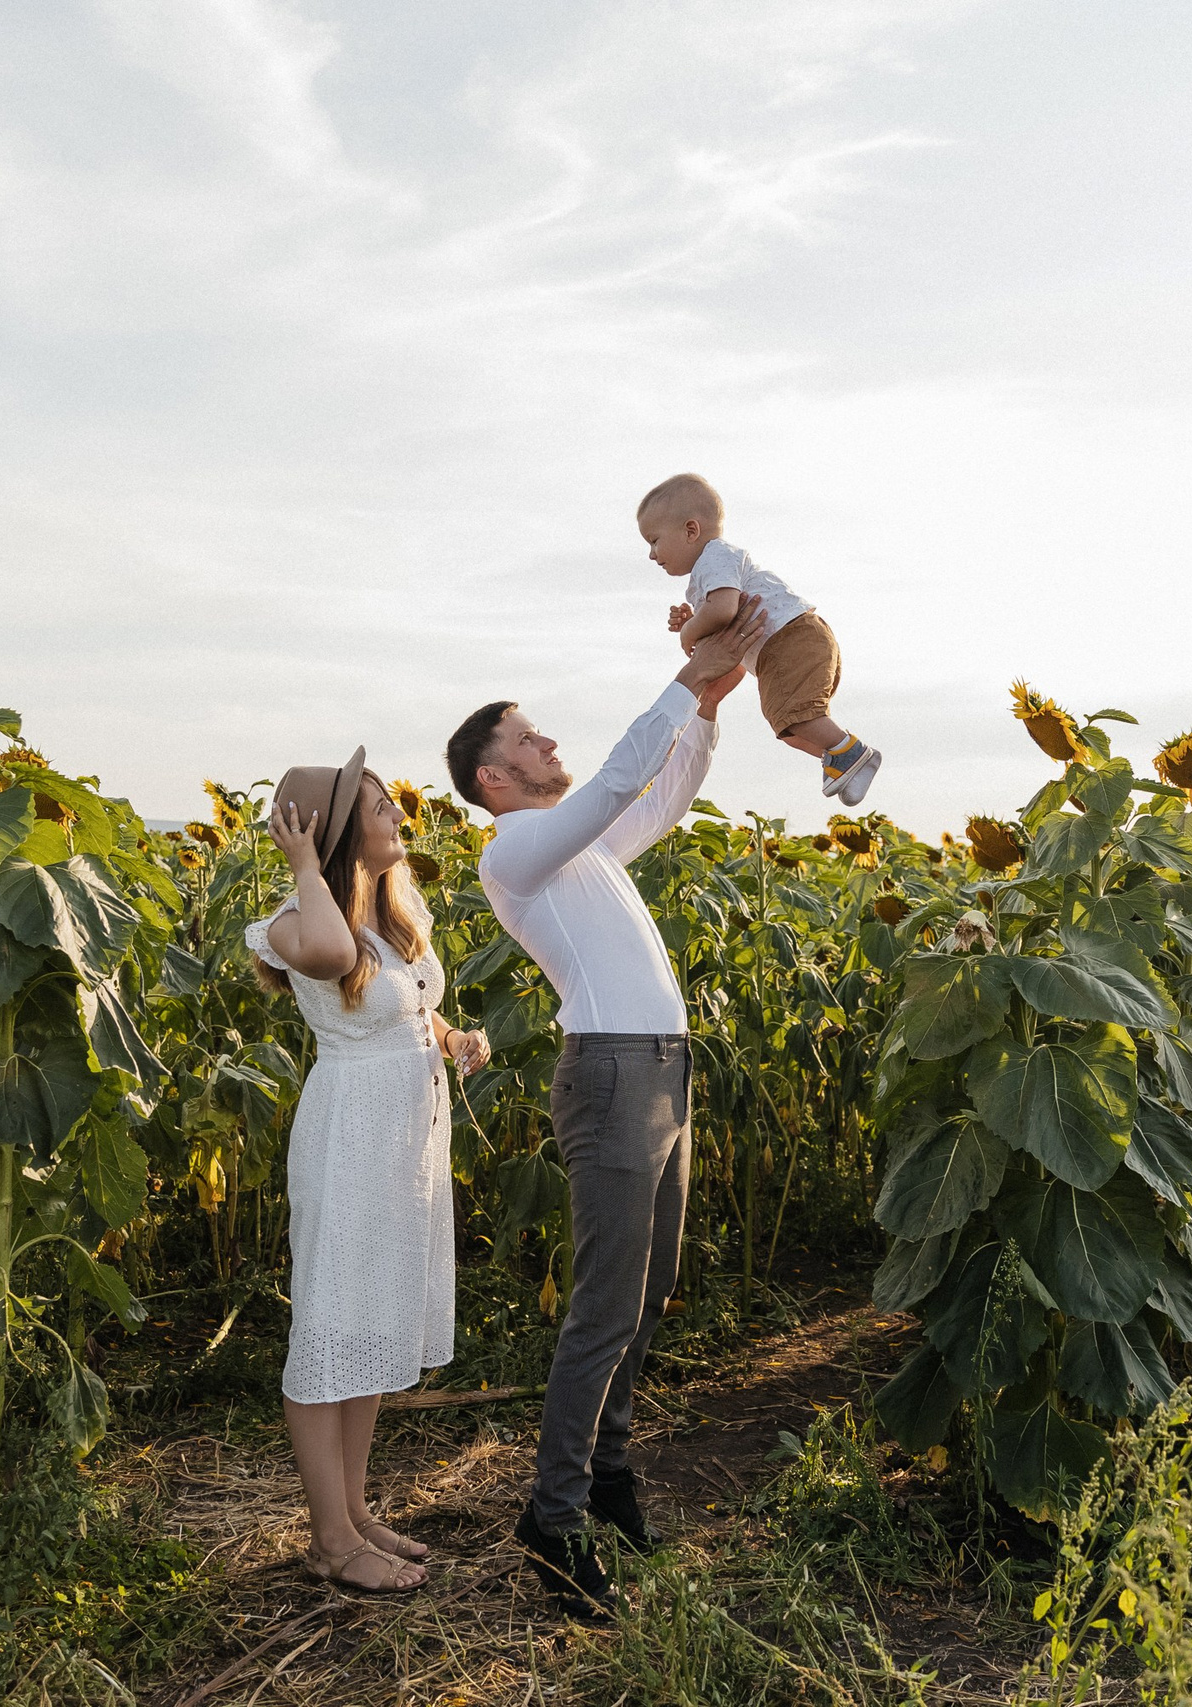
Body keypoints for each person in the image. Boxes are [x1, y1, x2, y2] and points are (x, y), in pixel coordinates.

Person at [443, 595, 771, 1623]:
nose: (548, 742)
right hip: (615, 1076)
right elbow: (624, 773)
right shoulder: (517, 852)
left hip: (663, 1071)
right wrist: (682, 681)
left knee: (650, 1288)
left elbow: (662, 793)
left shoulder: (579, 851)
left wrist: (710, 704)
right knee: (602, 1305)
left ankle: (611, 1475)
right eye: (527, 737)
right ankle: (553, 1516)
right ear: (495, 779)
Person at [250, 750, 491, 1596]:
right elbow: (322, 950)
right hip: (349, 1139)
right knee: (328, 1331)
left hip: (405, 1143)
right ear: (336, 829)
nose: (400, 819)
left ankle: (350, 1513)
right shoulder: (294, 919)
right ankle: (329, 1539)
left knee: (370, 1326)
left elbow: (412, 1008)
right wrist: (307, 866)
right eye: (383, 809)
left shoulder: (393, 914)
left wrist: (452, 1037)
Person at [641, 472, 881, 806]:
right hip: (791, 646)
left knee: (797, 716)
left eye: (654, 541)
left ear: (691, 530)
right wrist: (698, 622)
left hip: (789, 642)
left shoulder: (714, 556)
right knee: (787, 727)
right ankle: (841, 760)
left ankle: (851, 752)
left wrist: (689, 630)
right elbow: (727, 641)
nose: (652, 554)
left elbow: (723, 610)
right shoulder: (709, 577)